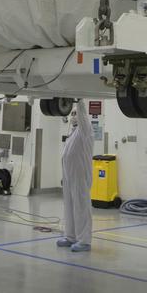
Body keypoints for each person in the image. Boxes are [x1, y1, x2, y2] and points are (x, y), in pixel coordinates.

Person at [57, 98, 93, 253]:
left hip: (80, 175)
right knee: (69, 205)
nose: (72, 116)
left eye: (74, 113)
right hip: (69, 175)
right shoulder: (73, 132)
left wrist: (79, 100)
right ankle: (71, 236)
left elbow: (83, 115)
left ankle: (84, 240)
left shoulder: (86, 130)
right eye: (71, 113)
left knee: (81, 205)